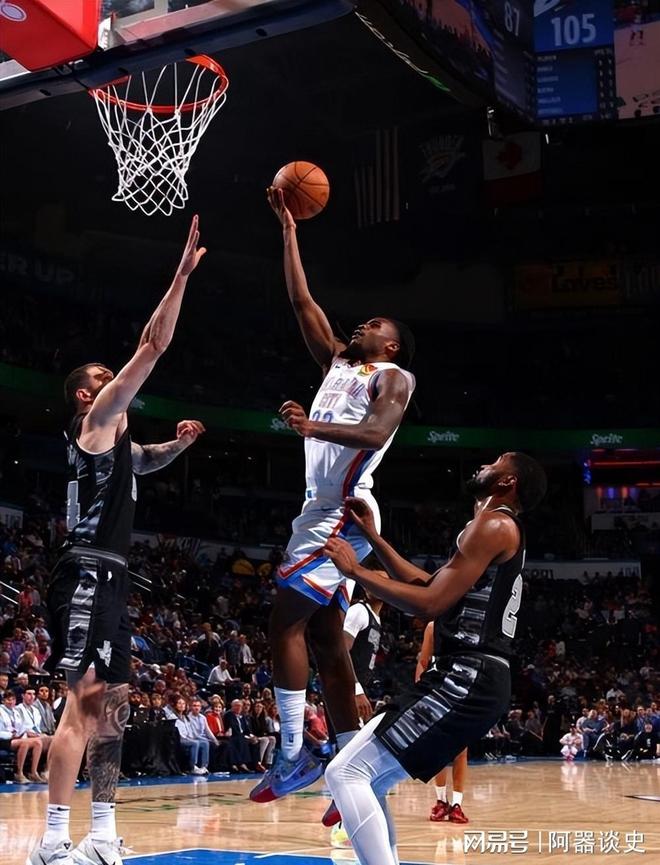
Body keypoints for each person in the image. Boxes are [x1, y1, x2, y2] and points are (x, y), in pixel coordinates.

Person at [28, 216, 207, 865]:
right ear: (87, 393)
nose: (117, 380)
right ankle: (52, 839)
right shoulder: (96, 417)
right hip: (85, 570)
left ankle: (101, 832)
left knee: (115, 709)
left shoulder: (114, 440)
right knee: (82, 705)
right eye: (107, 375)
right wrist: (180, 277)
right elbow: (153, 344)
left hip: (111, 573)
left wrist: (177, 445)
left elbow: (146, 460)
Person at [250, 187, 415, 804]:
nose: (363, 324)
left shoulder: (394, 377)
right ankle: (352, 764)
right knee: (324, 641)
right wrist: (289, 229)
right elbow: (302, 301)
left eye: (376, 325)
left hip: (346, 514)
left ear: (390, 345)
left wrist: (311, 426)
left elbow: (374, 434)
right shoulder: (338, 364)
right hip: (317, 512)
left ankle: (294, 754)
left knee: (283, 623)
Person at [322, 452, 547, 865]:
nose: (484, 464)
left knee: (345, 773)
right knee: (366, 779)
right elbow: (428, 585)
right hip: (475, 677)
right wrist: (374, 538)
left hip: (467, 674)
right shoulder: (493, 528)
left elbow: (429, 604)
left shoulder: (494, 525)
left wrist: (355, 572)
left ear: (508, 481)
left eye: (496, 462)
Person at [417, 621, 469, 824]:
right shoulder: (433, 626)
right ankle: (441, 801)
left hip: (463, 689)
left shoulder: (468, 626)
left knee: (461, 750)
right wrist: (419, 692)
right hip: (438, 691)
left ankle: (457, 804)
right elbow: (423, 662)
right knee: (439, 748)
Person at [0, 690, 45, 783]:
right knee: (25, 743)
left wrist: (21, 734)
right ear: (3, 701)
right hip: (4, 740)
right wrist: (11, 735)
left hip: (17, 738)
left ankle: (33, 772)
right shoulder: (1, 711)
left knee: (38, 743)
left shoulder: (15, 712)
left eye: (13, 699)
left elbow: (21, 728)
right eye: (8, 699)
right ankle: (19, 773)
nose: (11, 702)